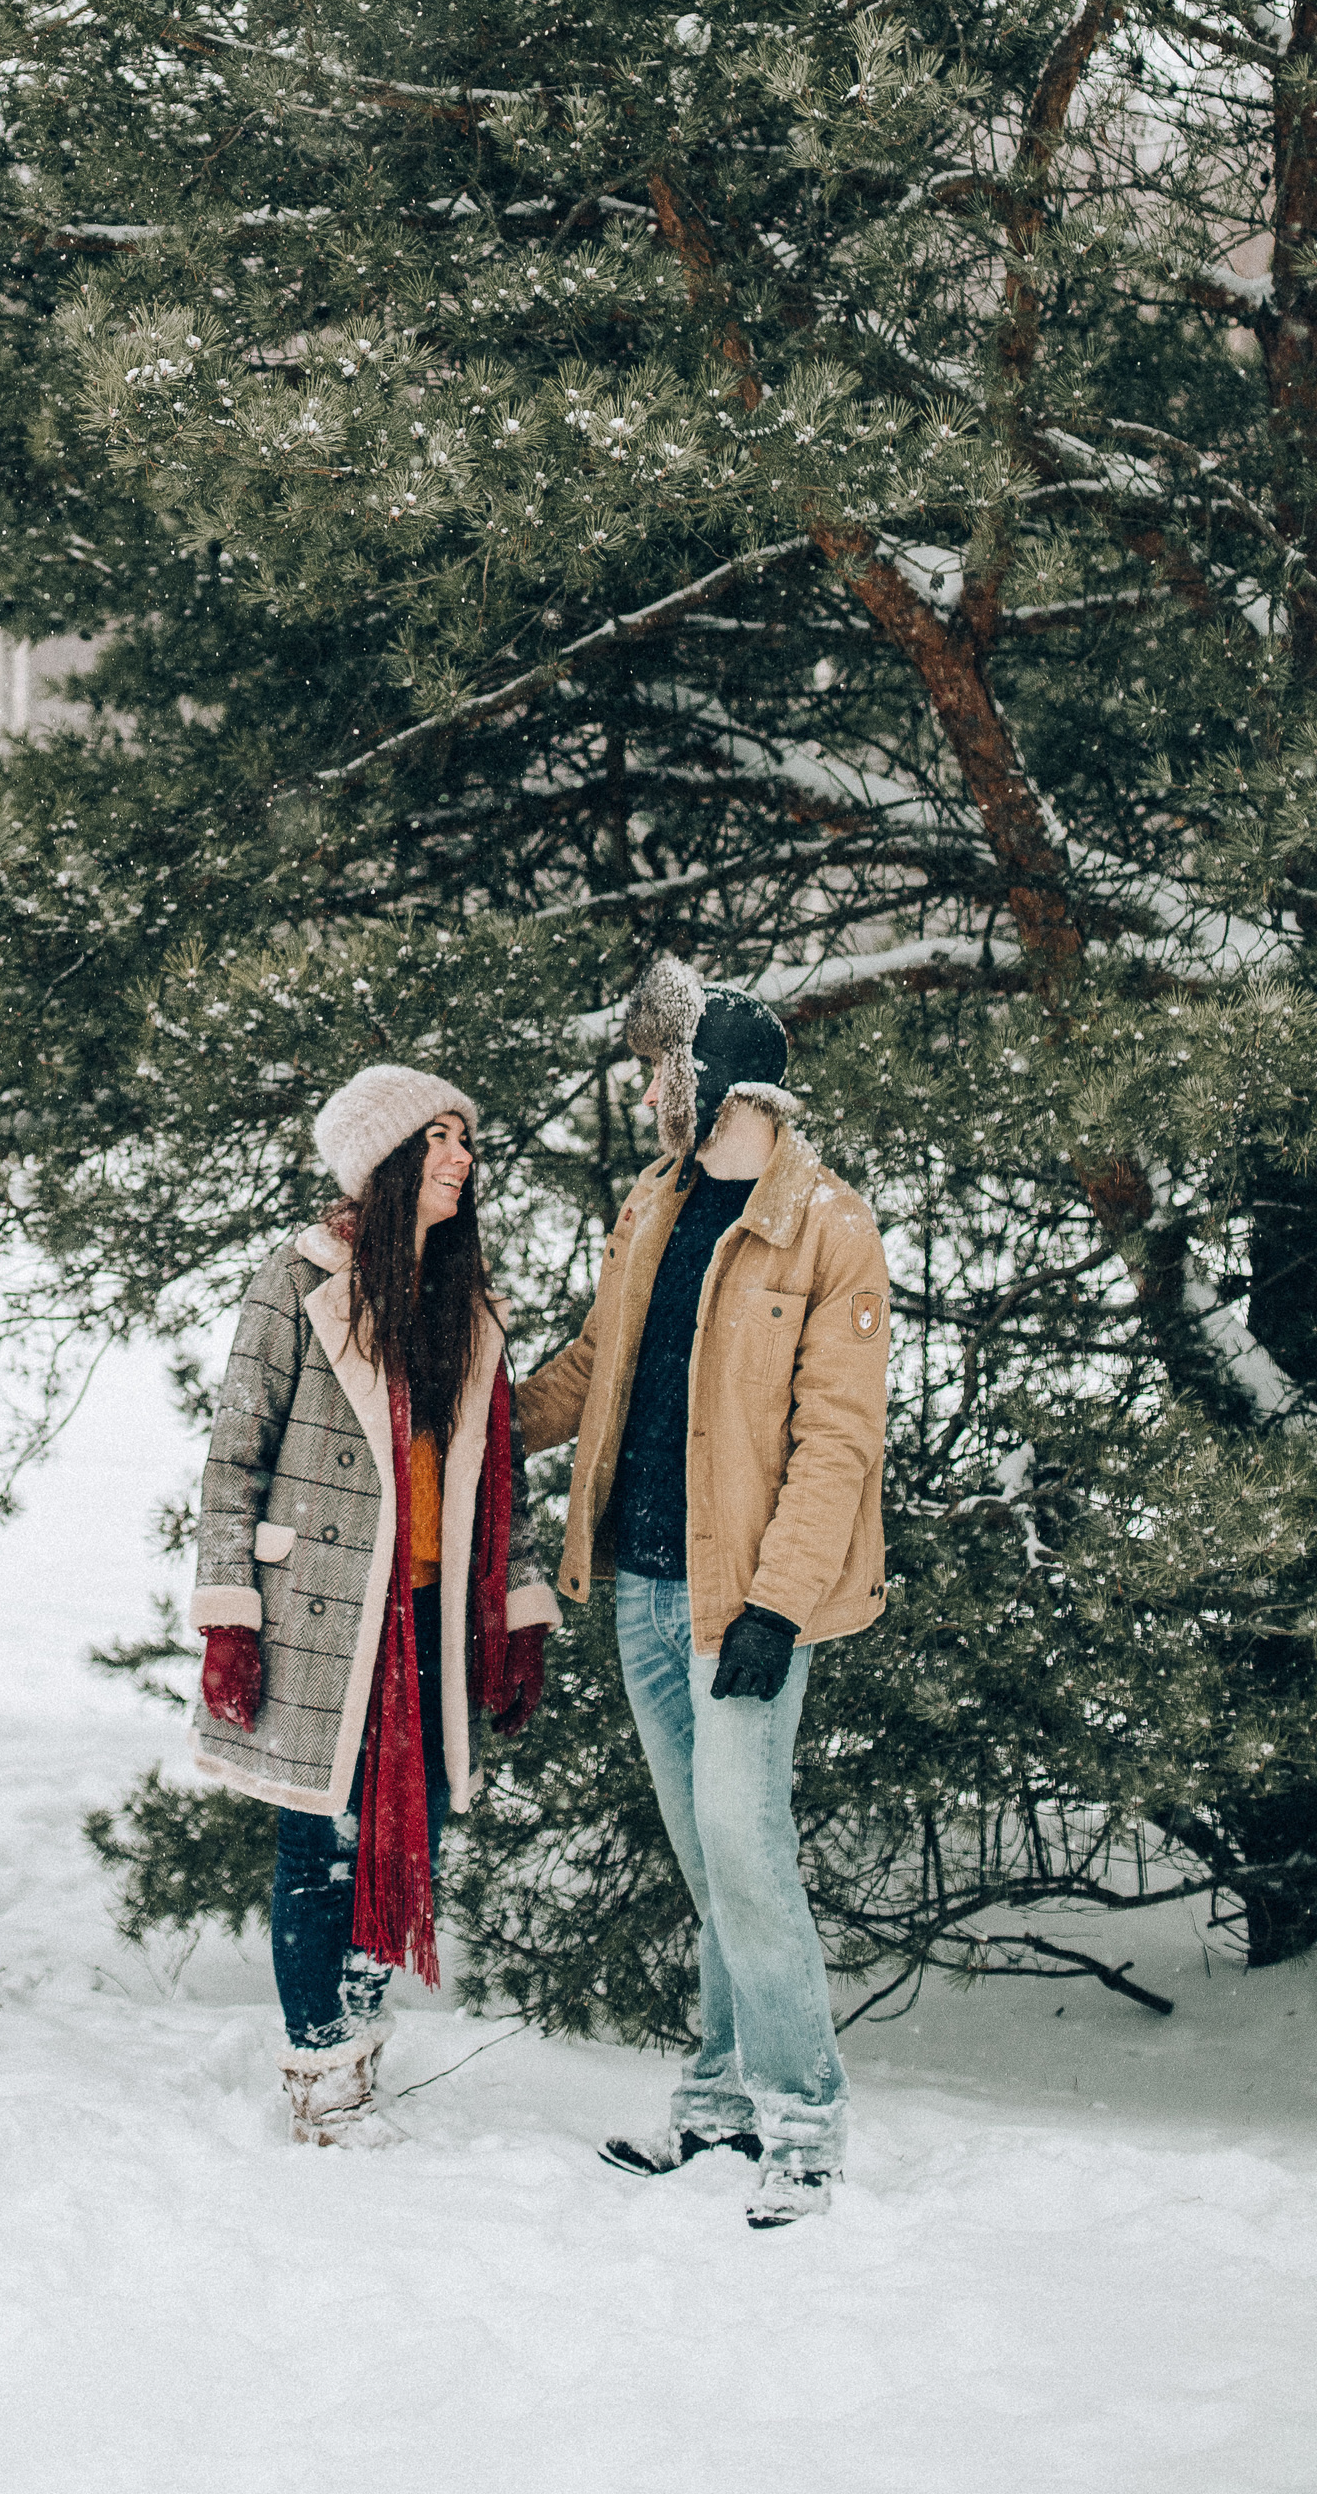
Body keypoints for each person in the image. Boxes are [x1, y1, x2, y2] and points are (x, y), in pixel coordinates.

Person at [516, 955, 891, 2228]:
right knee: (705, 1852)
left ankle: (804, 2120)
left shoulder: (825, 1225)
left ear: (715, 1079)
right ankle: (722, 2100)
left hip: (746, 1600)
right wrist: (476, 1422)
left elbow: (838, 1441)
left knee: (745, 1842)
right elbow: (592, 1363)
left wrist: (776, 1610)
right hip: (641, 1581)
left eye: (665, 1073)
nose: (652, 1095)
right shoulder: (654, 1202)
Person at [188, 1063, 560, 2146]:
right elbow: (232, 1455)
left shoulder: (466, 1301)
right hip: (322, 1612)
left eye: (465, 1139)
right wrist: (228, 1614)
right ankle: (323, 2076)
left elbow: (501, 1479)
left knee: (410, 1835)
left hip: (435, 1620)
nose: (461, 1158)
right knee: (323, 1844)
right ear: (386, 1163)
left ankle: (354, 2038)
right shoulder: (297, 1280)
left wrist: (518, 1616)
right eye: (438, 1138)